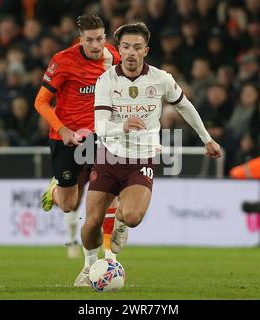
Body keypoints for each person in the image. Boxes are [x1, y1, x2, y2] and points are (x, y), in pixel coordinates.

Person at [75, 22, 222, 285]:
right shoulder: (106, 80)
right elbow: (99, 127)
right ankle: (88, 267)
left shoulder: (161, 79)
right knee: (91, 226)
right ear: (119, 49)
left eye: (137, 47)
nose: (131, 52)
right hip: (108, 157)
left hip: (142, 158)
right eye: (126, 47)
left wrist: (207, 139)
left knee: (132, 217)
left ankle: (119, 223)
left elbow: (185, 107)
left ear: (146, 50)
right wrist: (124, 125)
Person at [34, 14, 120, 263]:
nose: (96, 45)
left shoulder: (113, 56)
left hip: (98, 136)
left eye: (100, 39)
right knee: (70, 204)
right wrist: (62, 130)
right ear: (80, 39)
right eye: (90, 40)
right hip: (65, 138)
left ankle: (106, 257)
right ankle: (55, 188)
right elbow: (40, 102)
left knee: (107, 192)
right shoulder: (63, 61)